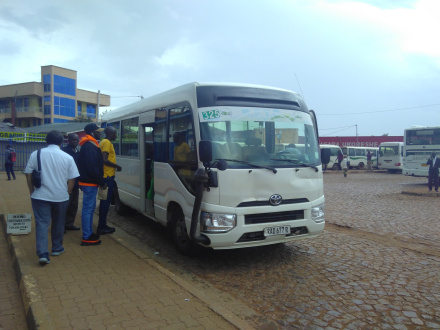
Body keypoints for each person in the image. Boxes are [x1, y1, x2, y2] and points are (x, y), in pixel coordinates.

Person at [24, 130, 79, 266]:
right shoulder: (67, 158)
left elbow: (28, 174)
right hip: (60, 196)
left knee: (42, 223)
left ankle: (43, 253)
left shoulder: (35, 154)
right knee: (59, 222)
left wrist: (31, 190)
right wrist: (68, 192)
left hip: (40, 195)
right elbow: (71, 179)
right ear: (61, 143)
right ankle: (56, 248)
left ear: (46, 141)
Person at [77, 123, 106, 246]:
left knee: (89, 208)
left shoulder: (90, 144)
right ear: (92, 132)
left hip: (89, 181)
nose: (100, 133)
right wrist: (101, 181)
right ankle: (87, 236)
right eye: (98, 131)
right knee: (88, 209)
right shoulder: (89, 145)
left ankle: (88, 234)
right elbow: (92, 167)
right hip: (89, 182)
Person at [98, 126, 122, 235]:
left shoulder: (103, 142)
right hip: (107, 177)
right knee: (105, 202)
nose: (116, 135)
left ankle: (102, 225)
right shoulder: (107, 142)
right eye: (115, 133)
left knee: (104, 201)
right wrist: (117, 166)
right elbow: (104, 159)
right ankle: (101, 227)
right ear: (110, 134)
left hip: (105, 176)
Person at [61, 133, 81, 231]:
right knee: (65, 205)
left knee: (74, 205)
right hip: (66, 182)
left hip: (76, 182)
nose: (76, 142)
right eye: (73, 140)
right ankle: (61, 226)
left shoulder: (78, 151)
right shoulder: (64, 151)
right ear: (69, 140)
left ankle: (69, 224)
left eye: (77, 140)